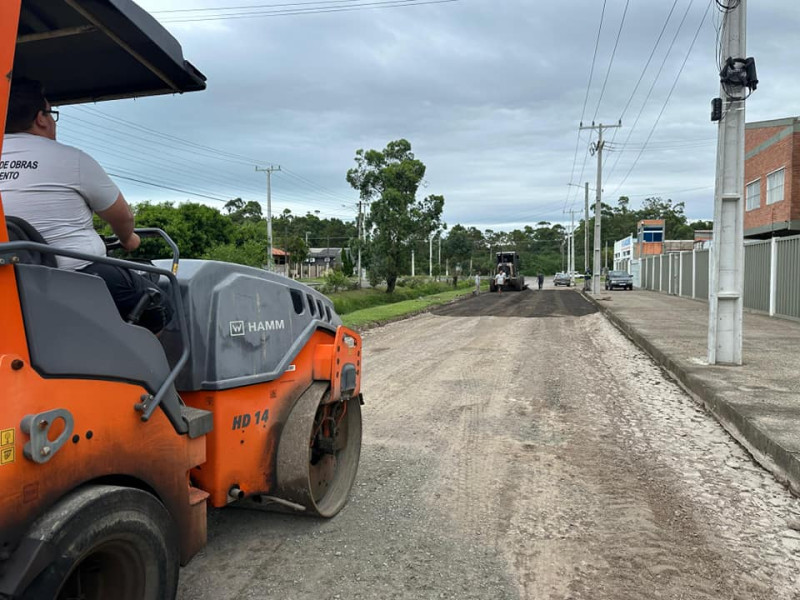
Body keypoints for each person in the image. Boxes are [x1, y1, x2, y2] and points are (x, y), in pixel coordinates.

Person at [0, 78, 172, 334]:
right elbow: (122, 216)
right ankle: (141, 371)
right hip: (77, 277)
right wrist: (128, 239)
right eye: (52, 113)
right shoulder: (71, 159)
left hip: (11, 284)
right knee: (162, 305)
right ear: (41, 118)